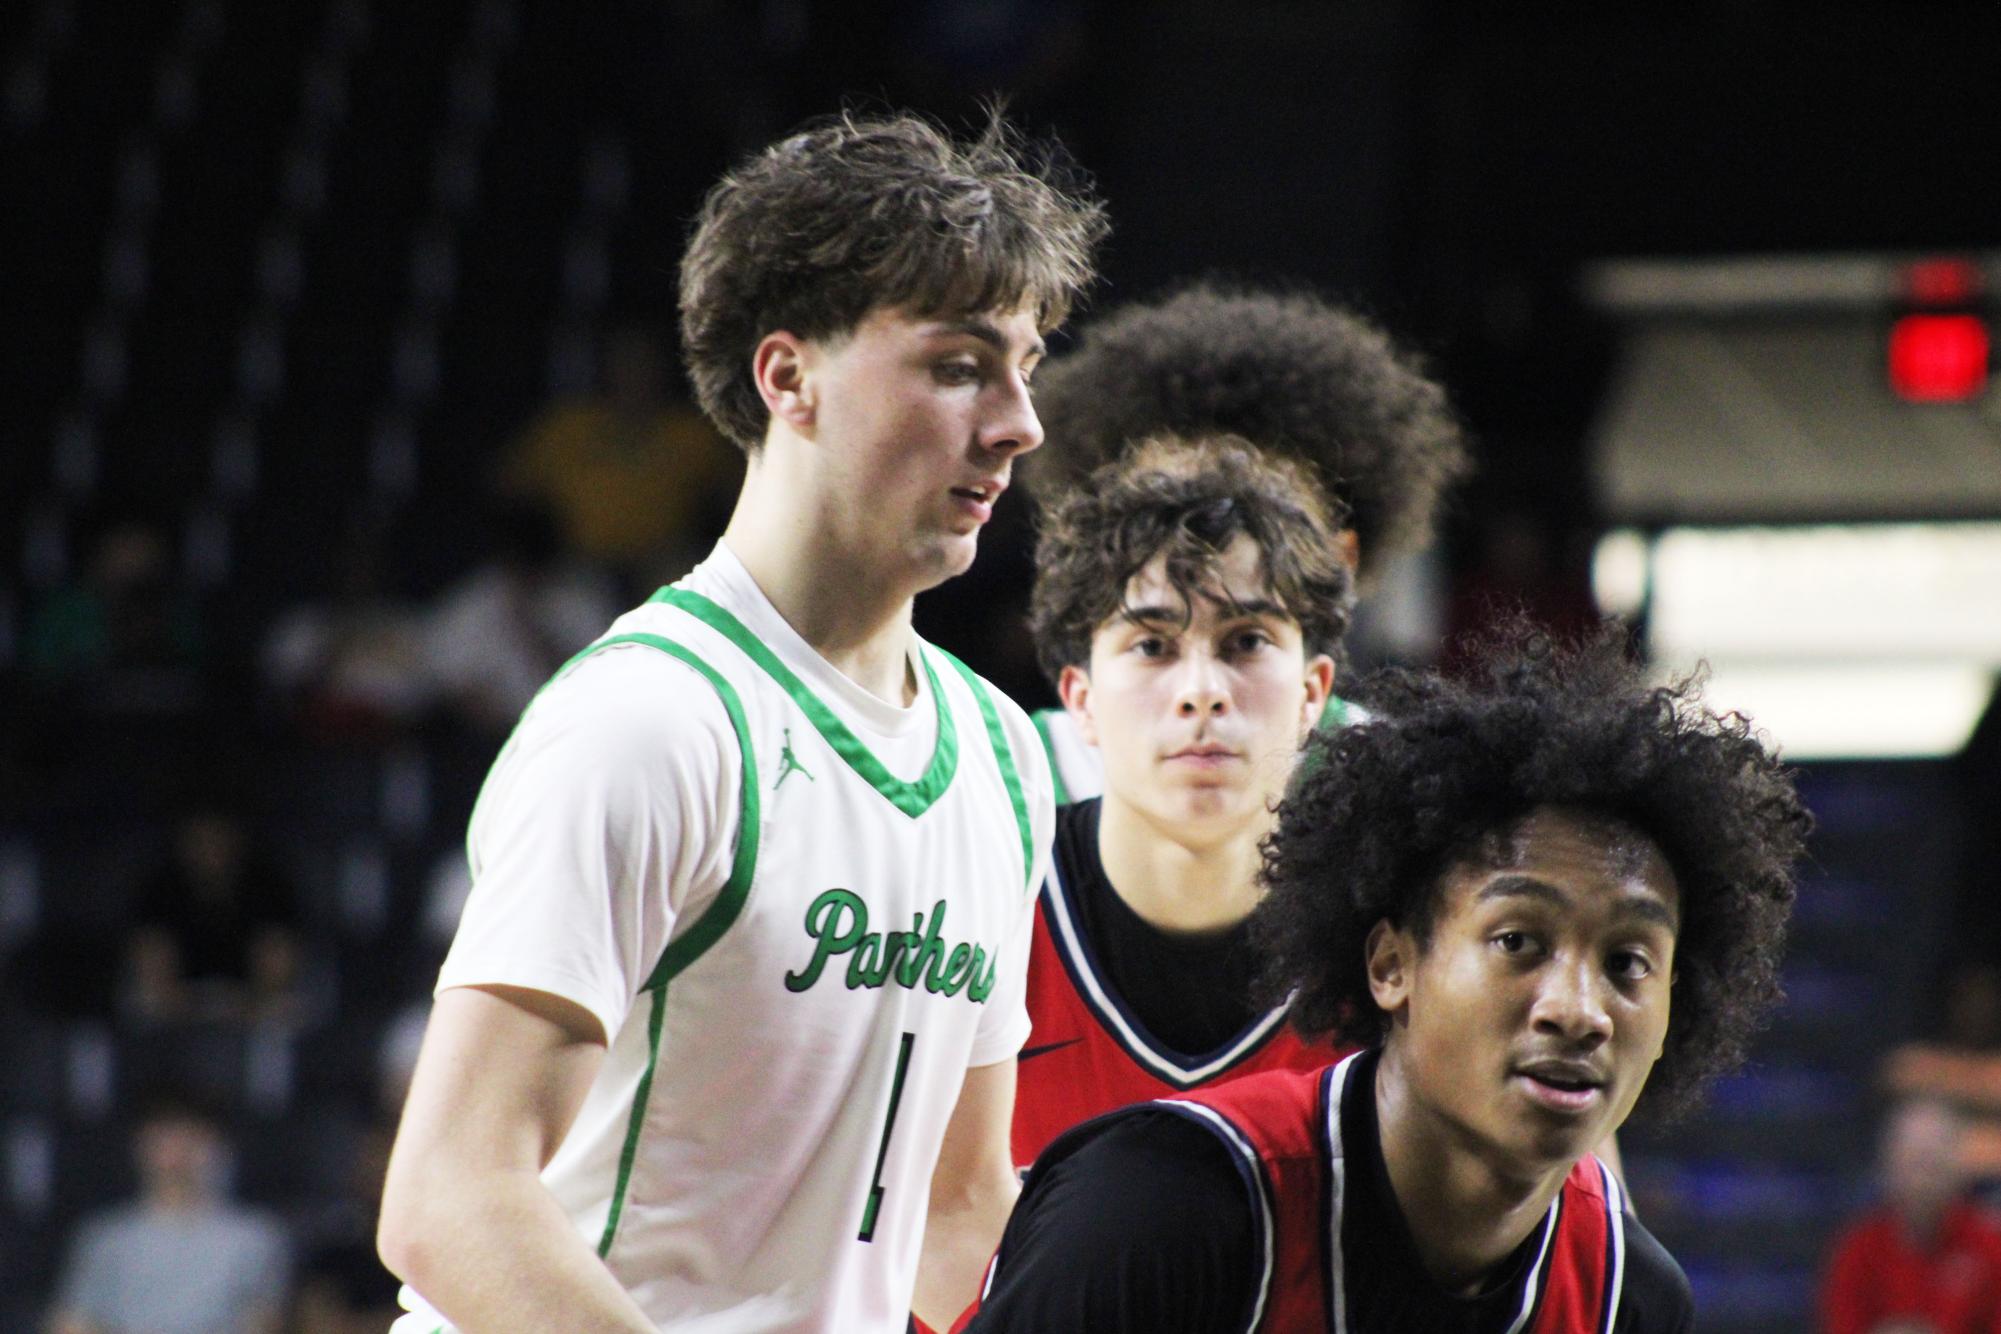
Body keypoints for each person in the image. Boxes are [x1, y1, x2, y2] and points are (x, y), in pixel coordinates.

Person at [375, 108, 1106, 1334]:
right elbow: (450, 1199)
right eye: (960, 363)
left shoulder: (998, 753)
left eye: (1026, 365)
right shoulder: (650, 720)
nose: (1019, 421)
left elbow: (959, 1200)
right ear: (788, 377)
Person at [967, 624, 1810, 1332]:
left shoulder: (1626, 1297)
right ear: (1389, 965)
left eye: (1628, 963)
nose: (1577, 1010)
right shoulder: (1164, 1206)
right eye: (1518, 940)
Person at [1009, 435, 1357, 1169]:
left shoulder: (1390, 938)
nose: (1202, 689)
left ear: (1312, 694)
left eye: (1245, 640)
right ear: (1081, 701)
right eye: (1152, 645)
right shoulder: (984, 912)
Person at [1021, 282, 1471, 803]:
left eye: (1267, 511)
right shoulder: (1015, 769)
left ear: (1340, 561)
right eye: (1175, 506)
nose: (1217, 539)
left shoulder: (1405, 787)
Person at [48, 1091, 292, 1334]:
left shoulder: (255, 1237)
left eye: (190, 1138)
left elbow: (263, 1322)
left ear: (216, 1145)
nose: (176, 1152)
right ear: (140, 1146)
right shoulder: (106, 1237)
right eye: (162, 1139)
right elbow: (72, 1323)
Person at [1820, 1096, 2001, 1334]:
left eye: (1933, 1164)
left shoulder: (1990, 1246)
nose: (1923, 1180)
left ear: (1958, 1167)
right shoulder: (1857, 1250)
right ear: (1889, 1166)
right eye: (1914, 1163)